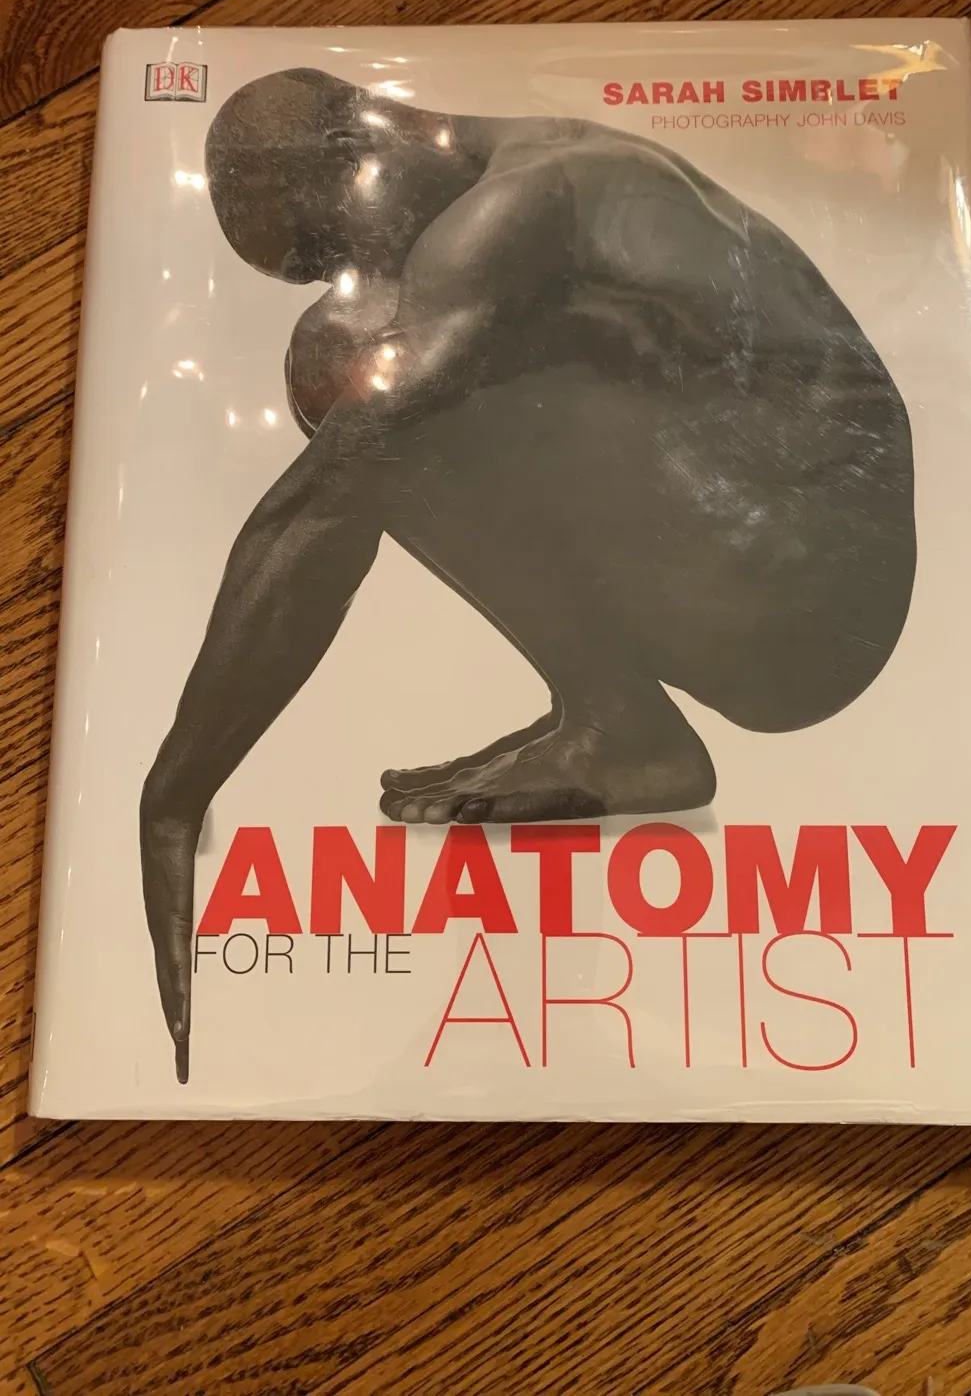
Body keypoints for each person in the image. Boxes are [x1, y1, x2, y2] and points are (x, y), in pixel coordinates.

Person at [140, 67, 916, 1079]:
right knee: (358, 363)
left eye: (329, 243)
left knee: (358, 374)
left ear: (352, 151)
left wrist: (173, 792)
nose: (348, 271)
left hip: (807, 596)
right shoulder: (512, 169)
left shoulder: (519, 202)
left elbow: (326, 503)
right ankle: (613, 716)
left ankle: (621, 728)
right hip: (781, 559)